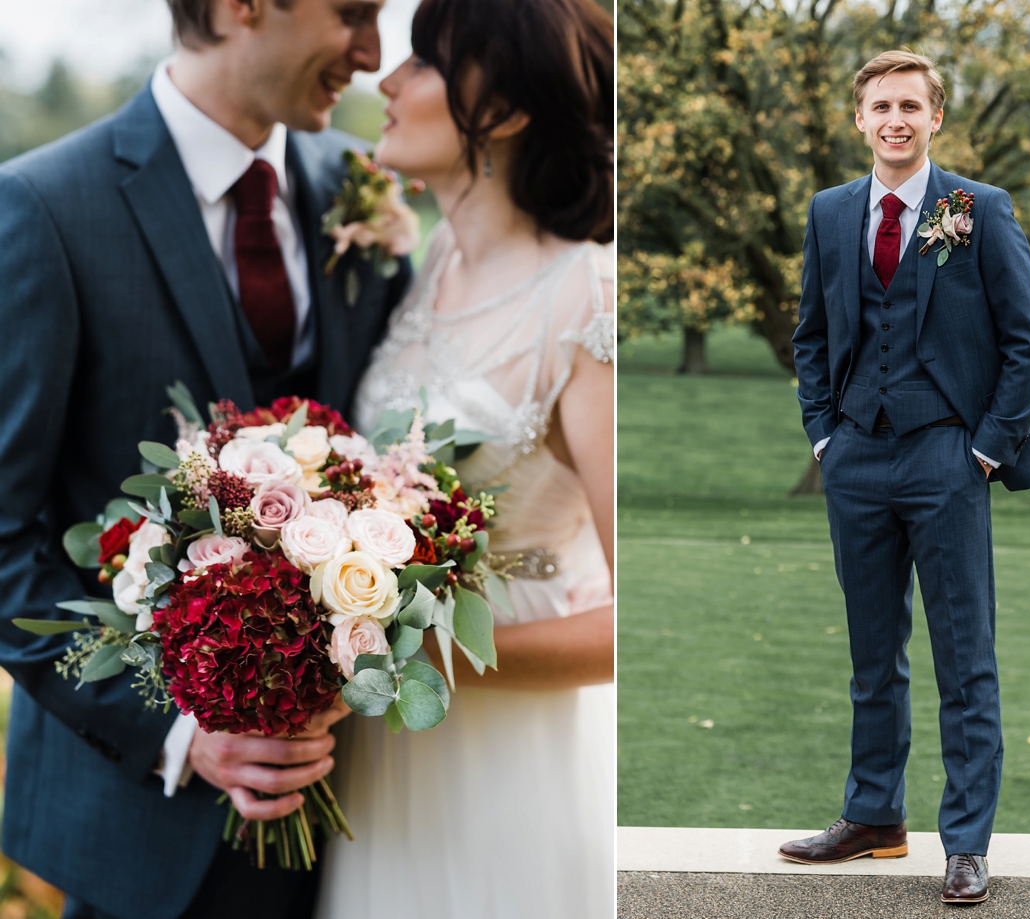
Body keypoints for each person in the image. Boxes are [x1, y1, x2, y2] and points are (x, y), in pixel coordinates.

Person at [0, 1, 407, 916]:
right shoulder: (45, 207)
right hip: (142, 833)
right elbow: (0, 534)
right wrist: (179, 735)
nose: (375, 54)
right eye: (353, 12)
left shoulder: (358, 184)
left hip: (360, 829)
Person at [313, 0, 615, 915]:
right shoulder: (426, 264)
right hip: (385, 752)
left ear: (507, 109)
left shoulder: (589, 296)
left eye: (422, 63)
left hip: (511, 739)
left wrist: (418, 657)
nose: (386, 82)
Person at [784, 50, 1030, 904]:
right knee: (873, 656)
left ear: (936, 117)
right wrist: (825, 436)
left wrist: (984, 448)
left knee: (964, 659)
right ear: (857, 119)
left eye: (910, 105)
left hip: (948, 456)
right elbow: (811, 337)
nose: (894, 119)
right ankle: (874, 817)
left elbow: (1029, 344)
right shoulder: (830, 213)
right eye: (880, 106)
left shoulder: (978, 209)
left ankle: (966, 842)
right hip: (856, 456)